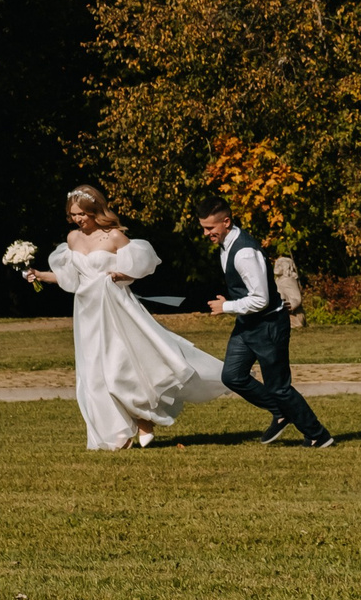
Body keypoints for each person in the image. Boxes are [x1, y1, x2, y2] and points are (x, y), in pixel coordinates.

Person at [26, 184, 228, 450]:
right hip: (87, 313)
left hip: (115, 306)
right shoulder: (72, 239)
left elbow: (140, 267)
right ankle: (118, 433)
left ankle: (144, 417)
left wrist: (123, 275)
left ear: (94, 210)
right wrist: (40, 275)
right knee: (95, 373)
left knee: (123, 365)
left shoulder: (114, 237)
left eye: (82, 213)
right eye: (73, 214)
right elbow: (70, 278)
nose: (78, 219)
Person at [197, 195, 334, 448]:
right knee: (233, 376)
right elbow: (249, 292)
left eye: (210, 228)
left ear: (226, 222)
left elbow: (261, 299)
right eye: (203, 227)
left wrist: (226, 306)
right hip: (248, 324)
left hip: (269, 325)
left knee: (279, 387)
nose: (206, 233)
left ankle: (318, 434)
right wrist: (233, 300)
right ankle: (281, 413)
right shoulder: (227, 245)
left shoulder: (245, 253)